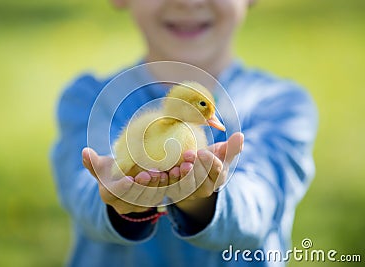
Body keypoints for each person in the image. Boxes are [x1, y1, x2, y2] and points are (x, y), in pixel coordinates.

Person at [51, 0, 318, 266]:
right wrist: (121, 199)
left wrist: (202, 200)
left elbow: (260, 204)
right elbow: (83, 193)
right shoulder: (88, 100)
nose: (189, 2)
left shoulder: (283, 105)